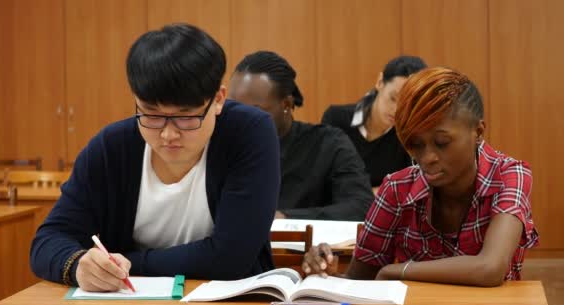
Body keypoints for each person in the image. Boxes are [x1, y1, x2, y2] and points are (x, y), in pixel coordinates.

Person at [30, 24, 281, 292]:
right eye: (151, 114)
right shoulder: (111, 147)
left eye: (185, 116)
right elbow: (48, 240)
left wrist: (127, 263)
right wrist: (79, 264)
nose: (168, 134)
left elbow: (231, 257)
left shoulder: (249, 133)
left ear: (218, 100)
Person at [303, 67, 539, 287]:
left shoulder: (509, 175)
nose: (427, 158)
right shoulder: (396, 188)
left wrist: (398, 271)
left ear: (478, 132)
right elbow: (360, 281)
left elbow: (490, 267)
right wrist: (328, 275)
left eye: (442, 143)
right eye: (416, 145)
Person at [228, 51, 374, 221]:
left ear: (287, 104)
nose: (240, 119)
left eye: (254, 111)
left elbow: (361, 206)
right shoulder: (220, 143)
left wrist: (286, 218)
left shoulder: (328, 144)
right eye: (233, 107)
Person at [322, 56, 427, 189]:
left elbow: (409, 189)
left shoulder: (408, 135)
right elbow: (323, 182)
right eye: (393, 98)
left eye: (407, 105)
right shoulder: (336, 119)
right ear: (380, 82)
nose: (397, 111)